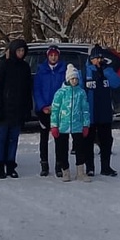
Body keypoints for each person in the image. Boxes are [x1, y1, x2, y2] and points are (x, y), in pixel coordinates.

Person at [0, 38, 33, 179]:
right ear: (13, 51)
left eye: (23, 51)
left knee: (14, 139)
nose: (21, 53)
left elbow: (28, 90)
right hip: (4, 108)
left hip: (18, 109)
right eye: (18, 50)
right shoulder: (3, 66)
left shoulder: (25, 67)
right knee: (1, 138)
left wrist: (28, 108)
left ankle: (10, 165)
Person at [83, 46, 120, 177]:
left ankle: (106, 167)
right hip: (91, 113)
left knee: (106, 140)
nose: (99, 60)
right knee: (88, 141)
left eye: (100, 58)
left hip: (104, 113)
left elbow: (117, 83)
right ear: (91, 59)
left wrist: (107, 72)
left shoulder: (107, 70)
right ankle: (90, 167)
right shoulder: (85, 71)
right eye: (96, 58)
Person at [50, 64, 91, 180]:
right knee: (62, 148)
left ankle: (80, 171)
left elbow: (85, 110)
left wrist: (85, 124)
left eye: (76, 78)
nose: (74, 81)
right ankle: (65, 170)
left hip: (77, 125)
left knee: (80, 148)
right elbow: (55, 110)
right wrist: (54, 125)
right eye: (72, 78)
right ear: (68, 79)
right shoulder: (60, 93)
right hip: (63, 125)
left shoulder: (81, 93)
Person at [32, 45, 68, 176]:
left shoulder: (63, 70)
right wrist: (43, 106)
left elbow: (65, 90)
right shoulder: (41, 71)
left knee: (60, 138)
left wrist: (57, 106)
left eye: (55, 55)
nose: (53, 57)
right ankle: (44, 164)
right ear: (47, 56)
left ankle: (60, 165)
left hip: (58, 109)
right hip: (44, 110)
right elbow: (37, 90)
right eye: (51, 55)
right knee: (43, 138)